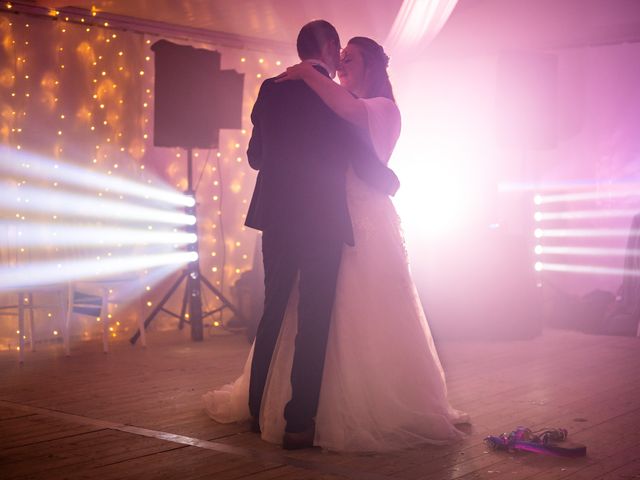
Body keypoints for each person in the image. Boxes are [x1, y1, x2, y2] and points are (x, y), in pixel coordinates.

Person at [203, 33, 469, 452]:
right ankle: (300, 420)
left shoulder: (323, 98)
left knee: (288, 312)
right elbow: (360, 160)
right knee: (312, 318)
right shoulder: (328, 101)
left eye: (351, 59)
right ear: (327, 50)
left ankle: (262, 408)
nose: (343, 64)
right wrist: (389, 180)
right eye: (340, 56)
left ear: (372, 69)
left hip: (318, 218)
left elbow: (258, 157)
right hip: (329, 218)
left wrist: (308, 72)